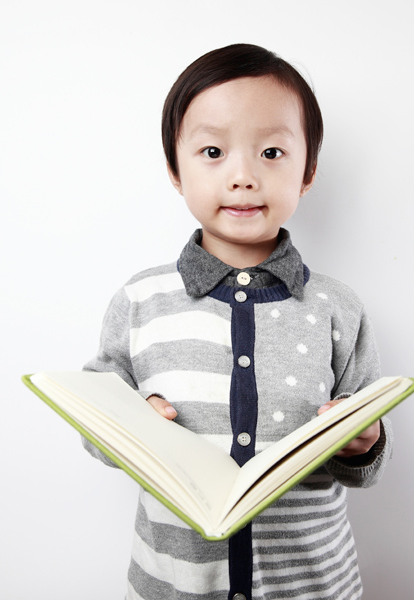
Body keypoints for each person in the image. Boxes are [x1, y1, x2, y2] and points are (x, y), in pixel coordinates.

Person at [83, 43, 392, 600]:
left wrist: (362, 441)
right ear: (176, 169)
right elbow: (96, 423)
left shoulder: (336, 308)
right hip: (175, 585)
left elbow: (365, 462)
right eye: (212, 151)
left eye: (272, 152)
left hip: (311, 585)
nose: (244, 175)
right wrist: (132, 427)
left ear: (308, 171)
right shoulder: (140, 300)